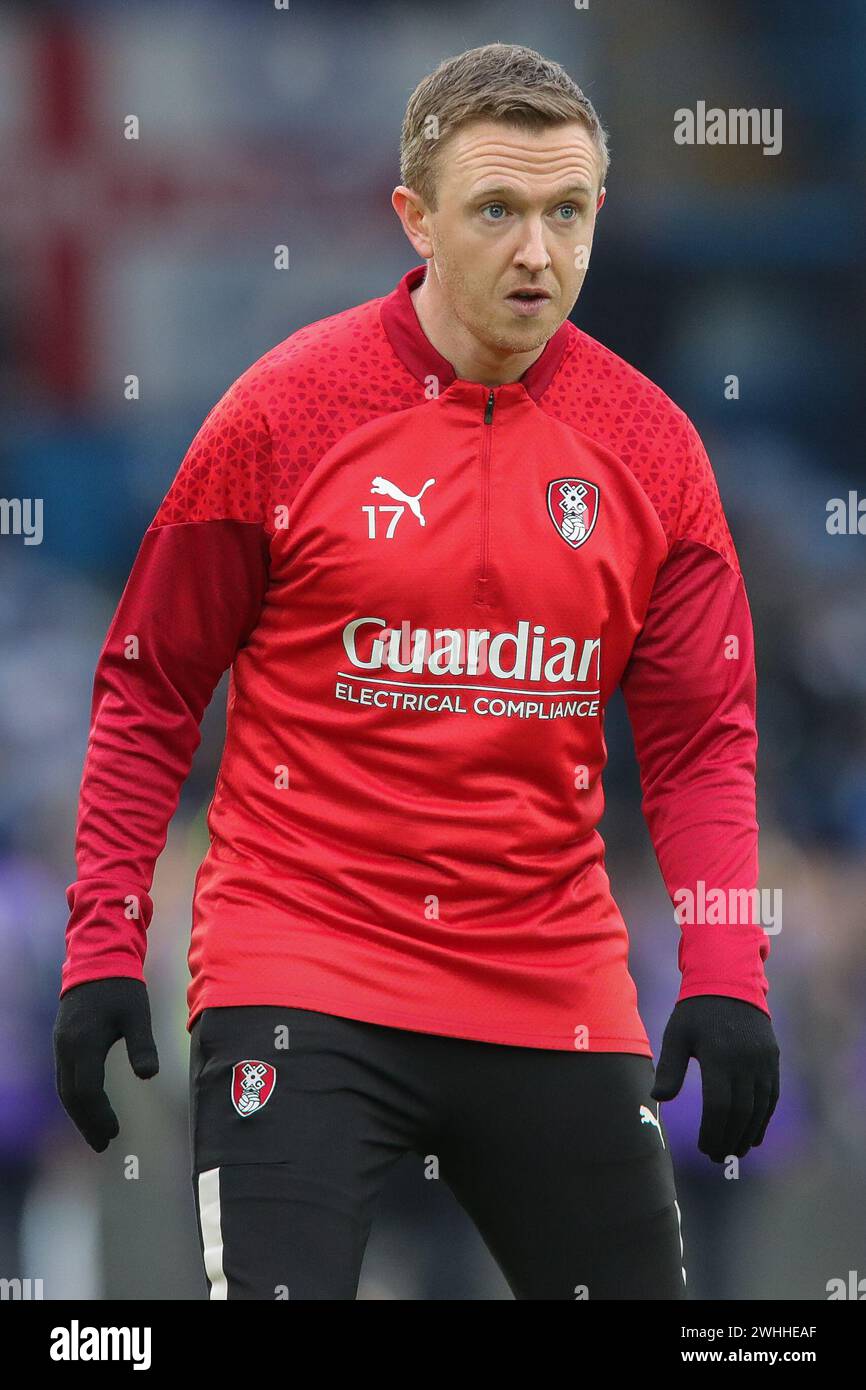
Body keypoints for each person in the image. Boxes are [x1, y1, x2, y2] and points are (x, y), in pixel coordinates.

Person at [53, 41, 779, 1301]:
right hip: (303, 971)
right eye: (496, 210)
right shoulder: (280, 415)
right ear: (415, 218)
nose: (535, 253)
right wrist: (105, 940)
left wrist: (723, 971)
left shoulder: (654, 453)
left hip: (548, 980)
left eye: (565, 213)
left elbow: (699, 741)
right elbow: (148, 687)